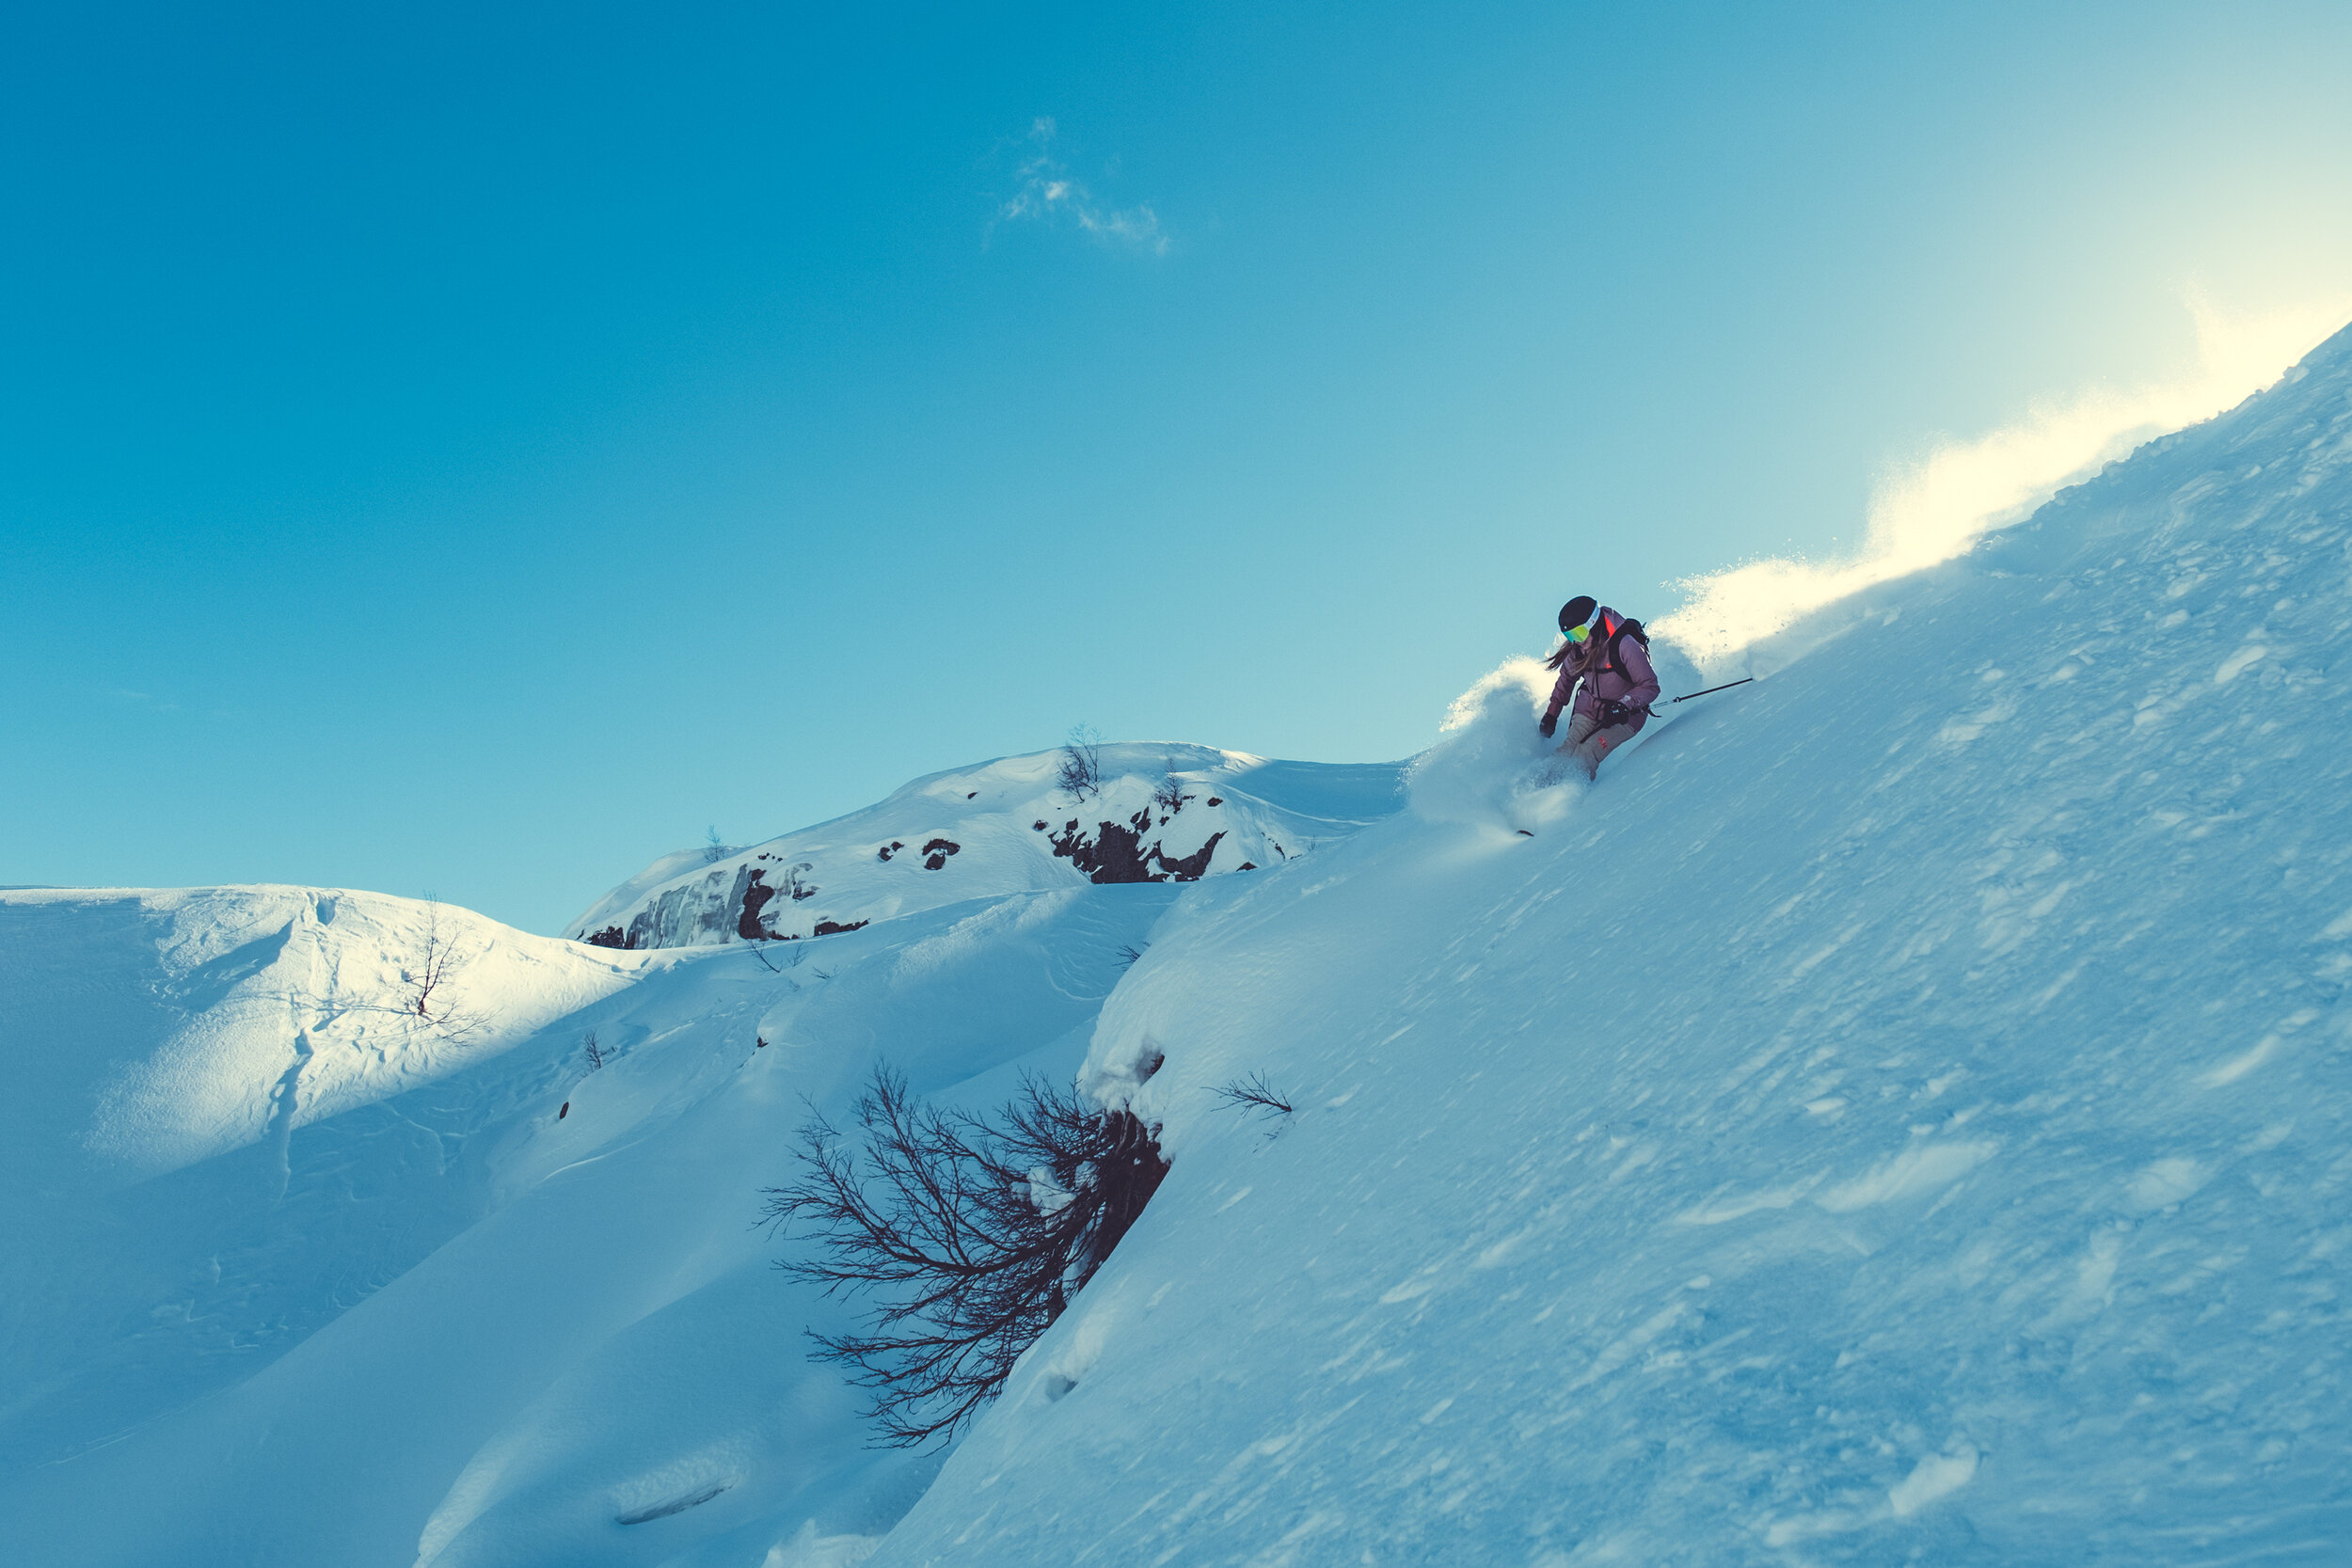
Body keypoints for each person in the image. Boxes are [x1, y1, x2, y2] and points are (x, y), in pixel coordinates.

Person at [1538, 595, 1659, 780]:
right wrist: (1551, 715)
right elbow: (1566, 681)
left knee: (1586, 753)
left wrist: (1624, 705)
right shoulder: (1578, 649)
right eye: (1570, 636)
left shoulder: (1625, 645)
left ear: (1593, 624)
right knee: (1567, 750)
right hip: (1590, 706)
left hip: (1625, 716)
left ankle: (1570, 797)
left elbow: (1650, 685)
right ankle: (1538, 788)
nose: (1576, 641)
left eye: (1579, 633)